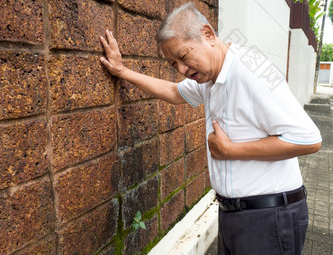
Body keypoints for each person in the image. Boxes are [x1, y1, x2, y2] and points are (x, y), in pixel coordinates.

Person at [99, 3, 322, 255]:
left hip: (268, 218)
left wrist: (231, 151)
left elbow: (309, 140)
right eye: (174, 64)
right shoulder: (209, 78)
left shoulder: (250, 72)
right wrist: (122, 71)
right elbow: (173, 92)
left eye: (183, 57)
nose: (182, 69)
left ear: (208, 35)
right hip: (235, 215)